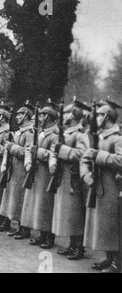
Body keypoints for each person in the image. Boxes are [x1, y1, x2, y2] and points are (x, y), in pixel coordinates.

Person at [80, 100, 122, 273]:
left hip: (113, 187)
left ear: (107, 117)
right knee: (103, 225)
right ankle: (108, 258)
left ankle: (117, 263)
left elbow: (120, 160)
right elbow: (86, 157)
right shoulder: (99, 136)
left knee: (112, 226)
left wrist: (100, 156)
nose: (95, 118)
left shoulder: (118, 138)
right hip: (98, 186)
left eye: (98, 115)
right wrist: (86, 175)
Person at [49, 99, 90, 260]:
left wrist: (63, 151)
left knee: (75, 212)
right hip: (63, 175)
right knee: (67, 212)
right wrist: (53, 161)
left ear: (73, 115)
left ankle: (79, 247)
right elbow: (55, 150)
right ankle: (72, 245)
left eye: (66, 113)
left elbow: (83, 153)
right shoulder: (65, 132)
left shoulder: (80, 133)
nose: (63, 115)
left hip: (74, 177)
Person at [21, 101, 59, 249]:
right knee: (38, 204)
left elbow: (54, 153)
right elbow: (29, 149)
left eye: (43, 115)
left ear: (49, 117)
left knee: (47, 204)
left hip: (47, 172)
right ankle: (41, 235)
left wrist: (40, 153)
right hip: (37, 171)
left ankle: (49, 237)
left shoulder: (55, 134)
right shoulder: (40, 132)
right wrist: (28, 162)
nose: (40, 117)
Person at [0, 102, 35, 239]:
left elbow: (27, 151)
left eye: (20, 114)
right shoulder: (20, 131)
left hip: (22, 168)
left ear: (26, 116)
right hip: (15, 166)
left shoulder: (30, 132)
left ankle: (24, 227)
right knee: (14, 196)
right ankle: (18, 224)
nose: (17, 117)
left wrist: (11, 147)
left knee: (21, 197)